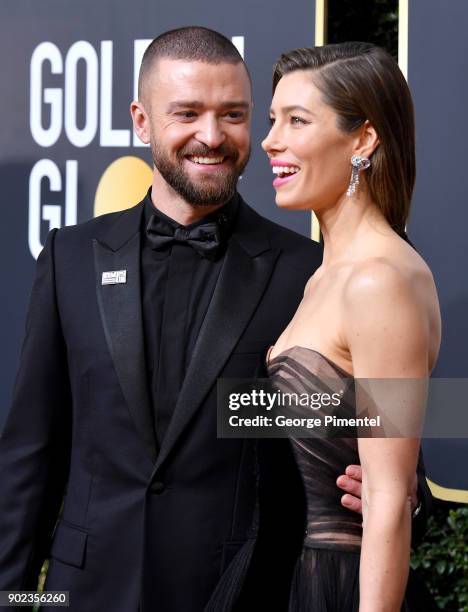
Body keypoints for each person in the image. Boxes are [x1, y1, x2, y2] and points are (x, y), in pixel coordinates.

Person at [0, 28, 430, 612]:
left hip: (240, 593)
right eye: (188, 113)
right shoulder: (71, 259)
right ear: (141, 121)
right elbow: (31, 455)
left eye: (233, 115)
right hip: (85, 592)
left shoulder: (307, 271)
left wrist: (401, 497)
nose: (212, 136)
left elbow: (384, 440)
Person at [261, 42, 441, 611]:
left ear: (362, 140)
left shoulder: (378, 280)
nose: (271, 141)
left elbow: (388, 499)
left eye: (296, 120)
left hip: (345, 586)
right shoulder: (324, 276)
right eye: (272, 120)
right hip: (301, 576)